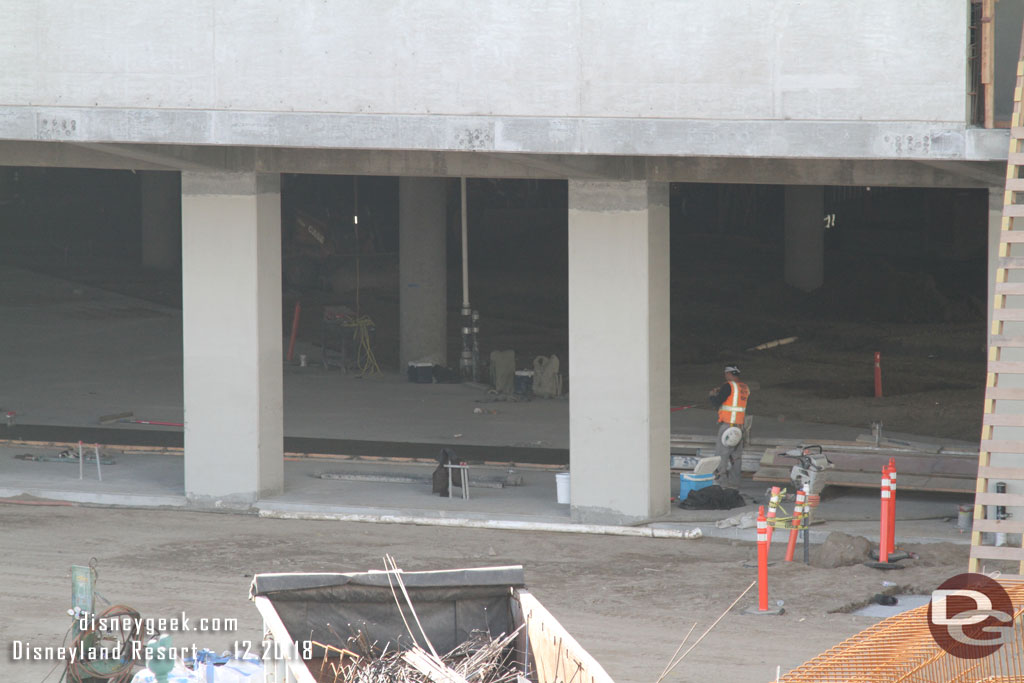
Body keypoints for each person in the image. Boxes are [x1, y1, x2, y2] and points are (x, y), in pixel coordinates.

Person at [708, 365, 749, 488]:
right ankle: (734, 482)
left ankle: (721, 482)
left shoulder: (729, 386)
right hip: (740, 427)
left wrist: (711, 395)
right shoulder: (744, 387)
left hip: (728, 426)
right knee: (736, 457)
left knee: (721, 455)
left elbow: (717, 402)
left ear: (729, 374)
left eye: (726, 374)